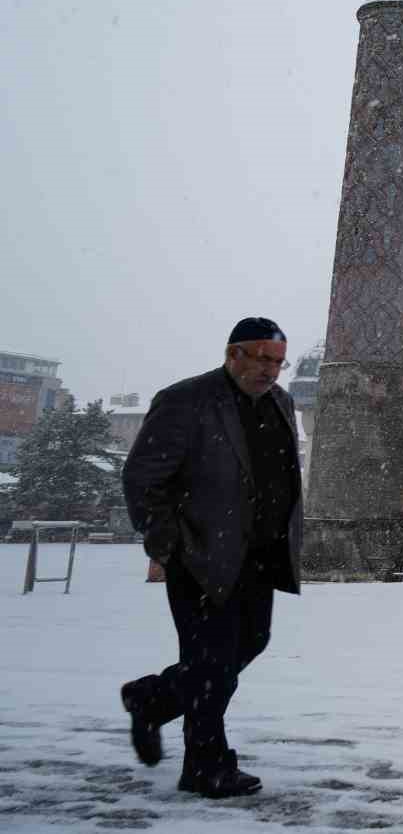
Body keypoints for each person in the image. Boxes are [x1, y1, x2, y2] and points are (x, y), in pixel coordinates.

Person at [119, 317, 303, 798]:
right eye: (263, 358)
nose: (271, 371)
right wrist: (168, 542)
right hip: (202, 553)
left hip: (259, 556)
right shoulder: (187, 399)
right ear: (234, 353)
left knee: (249, 644)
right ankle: (207, 765)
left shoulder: (281, 403)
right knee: (214, 661)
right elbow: (142, 478)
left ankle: (154, 699)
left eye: (279, 362)